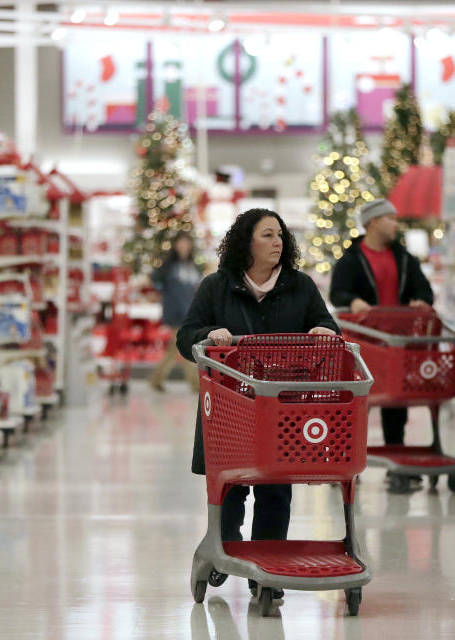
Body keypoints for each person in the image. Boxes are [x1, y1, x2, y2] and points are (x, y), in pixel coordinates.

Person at [177, 208, 338, 600]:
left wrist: (323, 331)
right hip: (231, 409)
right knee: (230, 488)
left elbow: (328, 327)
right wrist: (207, 334)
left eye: (280, 235)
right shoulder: (217, 287)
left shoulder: (301, 287)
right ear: (246, 242)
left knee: (276, 490)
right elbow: (186, 337)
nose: (277, 242)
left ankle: (267, 572)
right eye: (267, 235)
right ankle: (226, 547)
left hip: (283, 410)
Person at [330, 198, 435, 488]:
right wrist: (354, 302)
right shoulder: (351, 259)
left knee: (396, 401)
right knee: (358, 403)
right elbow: (338, 292)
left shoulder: (403, 258)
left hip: (397, 342)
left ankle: (397, 463)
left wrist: (421, 300)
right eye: (390, 218)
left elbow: (424, 289)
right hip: (363, 343)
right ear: (373, 222)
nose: (396, 224)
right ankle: (346, 462)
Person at [149, 231, 202, 392]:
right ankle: (195, 383)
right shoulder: (169, 265)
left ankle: (156, 379)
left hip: (189, 312)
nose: (184, 246)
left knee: (175, 348)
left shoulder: (193, 266)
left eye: (186, 242)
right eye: (181, 242)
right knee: (185, 346)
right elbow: (155, 280)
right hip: (175, 313)